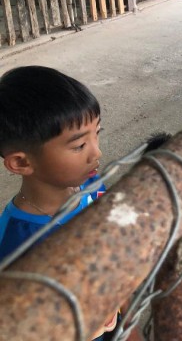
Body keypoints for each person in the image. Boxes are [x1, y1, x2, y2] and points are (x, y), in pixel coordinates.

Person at [0, 65, 116, 340]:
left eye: (97, 133)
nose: (97, 152)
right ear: (21, 163)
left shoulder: (91, 185)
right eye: (79, 146)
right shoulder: (15, 244)